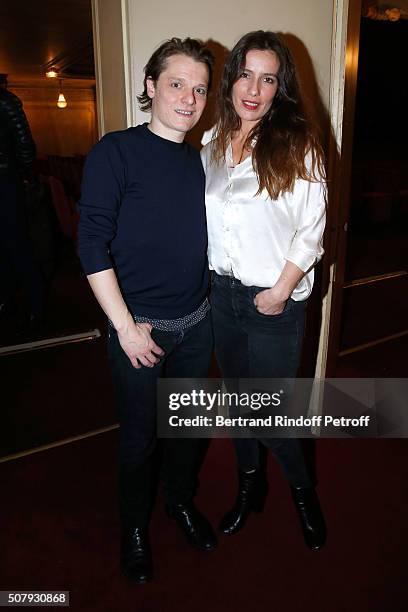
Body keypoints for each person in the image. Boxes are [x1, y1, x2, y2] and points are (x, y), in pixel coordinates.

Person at [78, 38, 216, 584]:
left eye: (200, 88)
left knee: (186, 431)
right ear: (152, 87)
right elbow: (91, 243)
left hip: (196, 325)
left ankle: (179, 502)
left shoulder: (201, 162)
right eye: (177, 84)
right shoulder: (116, 151)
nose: (189, 97)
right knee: (140, 437)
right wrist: (125, 329)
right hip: (139, 329)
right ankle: (134, 526)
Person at [201, 31, 326, 550]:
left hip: (272, 302)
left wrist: (279, 292)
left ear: (281, 88)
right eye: (245, 74)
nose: (254, 88)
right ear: (230, 80)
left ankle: (303, 491)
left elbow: (312, 231)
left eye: (268, 78)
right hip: (221, 297)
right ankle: (250, 484)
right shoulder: (210, 143)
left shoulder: (298, 146)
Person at [0, 73, 44, 336]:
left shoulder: (6, 101)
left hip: (6, 181)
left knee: (17, 244)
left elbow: (26, 145)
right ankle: (8, 300)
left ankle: (36, 305)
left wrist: (23, 176)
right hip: (7, 179)